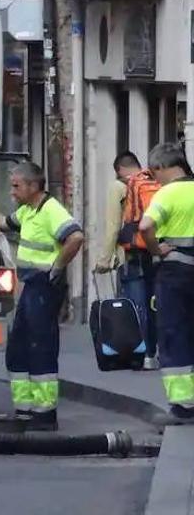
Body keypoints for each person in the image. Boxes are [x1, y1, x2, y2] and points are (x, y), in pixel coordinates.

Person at [0, 161, 85, 431]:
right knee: (18, 348)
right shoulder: (29, 210)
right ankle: (24, 409)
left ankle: (45, 414)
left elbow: (76, 237)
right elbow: (4, 222)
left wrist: (58, 267)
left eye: (16, 186)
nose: (12, 192)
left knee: (40, 347)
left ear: (34, 186)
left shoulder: (51, 210)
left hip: (43, 287)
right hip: (31, 287)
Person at [135, 142, 194, 420]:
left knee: (174, 334)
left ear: (160, 168)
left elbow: (145, 226)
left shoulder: (167, 194)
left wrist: (157, 249)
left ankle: (183, 405)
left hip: (176, 274)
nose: (153, 179)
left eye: (152, 173)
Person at [96, 151, 160, 369]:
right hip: (158, 251)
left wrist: (104, 260)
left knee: (136, 305)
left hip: (133, 255)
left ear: (119, 170)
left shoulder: (118, 187)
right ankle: (156, 352)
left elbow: (113, 227)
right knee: (154, 304)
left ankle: (142, 354)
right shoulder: (155, 181)